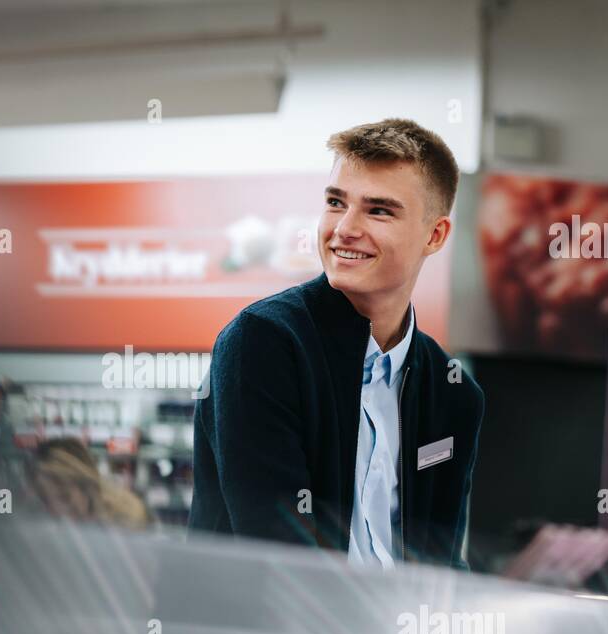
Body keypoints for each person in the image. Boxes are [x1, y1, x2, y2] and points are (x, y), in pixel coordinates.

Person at [189, 118, 484, 569]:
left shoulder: (454, 394)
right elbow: (277, 553)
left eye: (378, 210)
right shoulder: (264, 343)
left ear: (435, 235)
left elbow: (442, 564)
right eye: (335, 202)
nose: (344, 228)